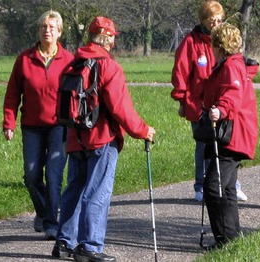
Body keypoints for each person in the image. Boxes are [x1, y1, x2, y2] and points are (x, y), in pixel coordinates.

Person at [51, 16, 156, 262]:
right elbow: (121, 109)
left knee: (74, 190)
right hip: (102, 138)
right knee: (97, 192)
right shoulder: (110, 67)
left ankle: (64, 242)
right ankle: (90, 247)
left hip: (76, 137)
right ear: (108, 39)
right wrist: (143, 130)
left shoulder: (71, 65)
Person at [3, 10, 74, 240]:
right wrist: (9, 122)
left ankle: (52, 223)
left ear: (59, 32)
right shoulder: (24, 59)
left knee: (54, 176)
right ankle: (43, 212)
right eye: (44, 26)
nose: (47, 30)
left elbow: (77, 95)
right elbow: (13, 93)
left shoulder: (69, 61)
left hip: (59, 127)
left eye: (52, 27)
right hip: (32, 126)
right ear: (38, 30)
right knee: (31, 176)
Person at [171, 0, 247, 202]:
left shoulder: (224, 41)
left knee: (227, 144)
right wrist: (181, 100)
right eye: (212, 20)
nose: (216, 23)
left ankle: (232, 184)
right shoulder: (191, 42)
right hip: (198, 104)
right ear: (203, 20)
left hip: (222, 102)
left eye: (219, 20)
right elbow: (180, 73)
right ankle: (200, 185)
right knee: (203, 146)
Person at [200, 22, 259, 250]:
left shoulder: (232, 66)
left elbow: (232, 94)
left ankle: (224, 239)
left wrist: (221, 110)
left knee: (213, 186)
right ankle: (231, 239)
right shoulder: (229, 64)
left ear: (219, 45)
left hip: (232, 133)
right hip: (233, 132)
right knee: (227, 188)